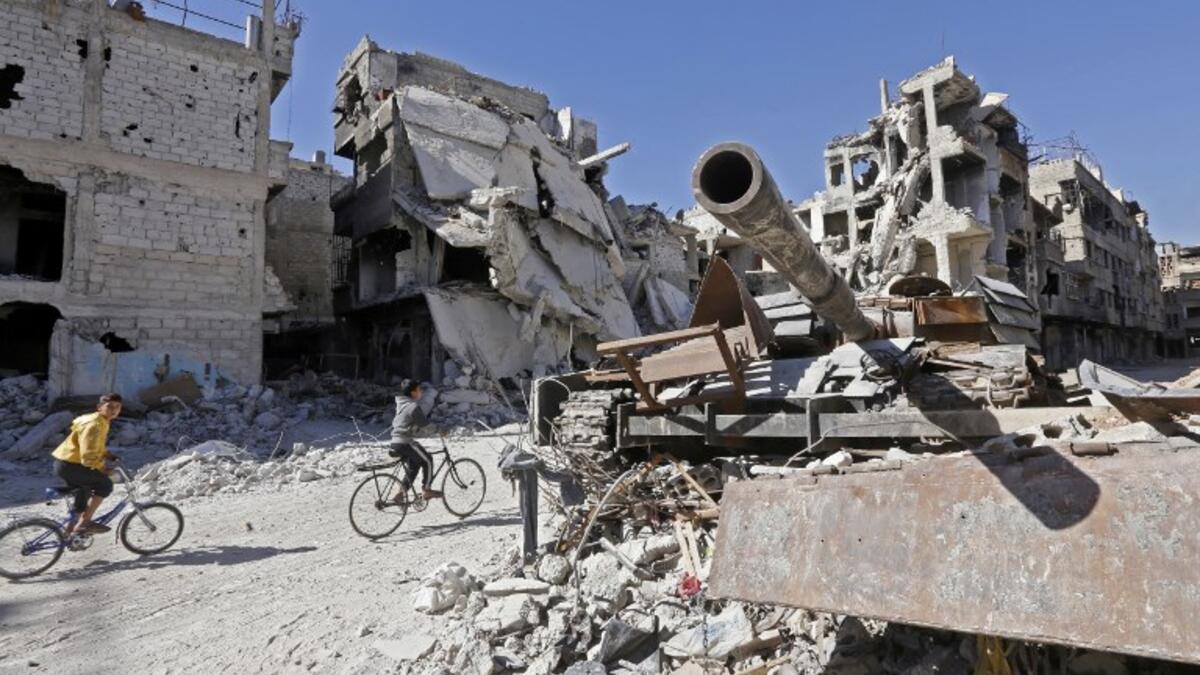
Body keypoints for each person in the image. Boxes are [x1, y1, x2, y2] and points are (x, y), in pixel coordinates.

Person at [51, 393, 123, 535]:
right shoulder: (94, 425)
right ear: (99, 407)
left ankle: (69, 534)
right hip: (72, 466)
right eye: (109, 406)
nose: (113, 410)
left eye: (117, 407)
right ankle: (85, 524)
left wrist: (107, 454)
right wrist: (104, 469)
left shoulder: (100, 420)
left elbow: (95, 446)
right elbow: (88, 457)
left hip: (65, 464)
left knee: (84, 492)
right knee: (105, 484)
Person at [389, 379, 441, 500]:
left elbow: (408, 424)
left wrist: (416, 430)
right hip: (405, 442)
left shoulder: (402, 405)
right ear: (413, 393)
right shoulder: (413, 406)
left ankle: (400, 494)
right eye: (418, 390)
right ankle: (427, 490)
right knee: (428, 459)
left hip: (395, 442)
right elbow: (425, 426)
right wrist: (439, 430)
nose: (421, 392)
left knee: (415, 465)